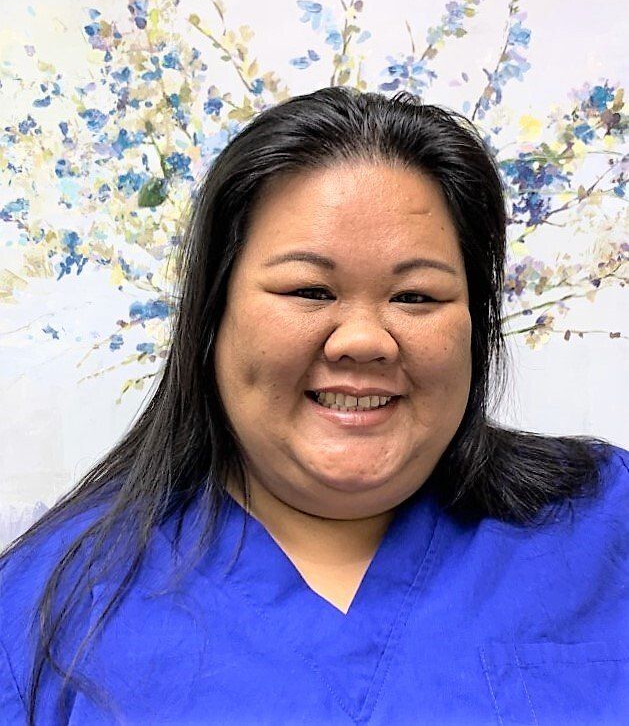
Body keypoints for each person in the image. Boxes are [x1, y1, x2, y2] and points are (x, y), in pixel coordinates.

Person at [0, 87, 626, 726]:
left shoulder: (609, 525)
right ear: (213, 317)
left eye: (415, 297)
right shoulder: (44, 613)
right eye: (309, 290)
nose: (363, 340)